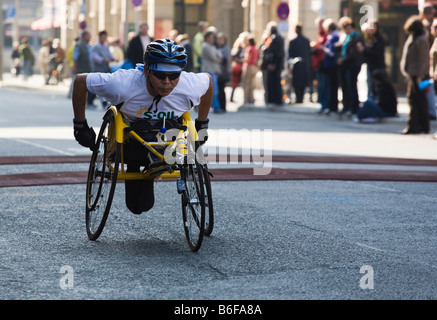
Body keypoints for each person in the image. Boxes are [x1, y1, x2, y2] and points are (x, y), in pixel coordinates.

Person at [72, 39, 213, 215]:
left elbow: (208, 82)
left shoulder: (189, 85)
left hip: (168, 139)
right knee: (138, 206)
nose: (167, 82)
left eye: (174, 75)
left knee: (142, 204)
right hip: (131, 141)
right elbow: (80, 81)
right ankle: (141, 164)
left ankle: (154, 162)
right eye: (160, 75)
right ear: (146, 70)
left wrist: (202, 124)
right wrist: (80, 125)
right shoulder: (122, 84)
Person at [400, 15, 431, 134]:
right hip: (412, 73)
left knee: (417, 100)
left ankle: (417, 125)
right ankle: (418, 125)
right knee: (414, 99)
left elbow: (423, 59)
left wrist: (420, 76)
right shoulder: (413, 38)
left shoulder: (421, 40)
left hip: (417, 74)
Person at [337, 19, 364, 117]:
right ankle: (346, 106)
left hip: (353, 64)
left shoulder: (357, 37)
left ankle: (354, 107)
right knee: (346, 86)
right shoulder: (347, 37)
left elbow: (354, 53)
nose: (345, 30)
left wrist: (343, 59)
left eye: (346, 28)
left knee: (352, 86)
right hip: (346, 65)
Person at [260, 21, 285, 106]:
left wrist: (272, 63)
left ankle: (275, 100)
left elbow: (274, 52)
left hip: (274, 64)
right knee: (275, 82)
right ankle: (276, 100)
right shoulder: (278, 37)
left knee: (274, 83)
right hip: (276, 64)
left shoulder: (275, 38)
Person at [360, 20, 386, 100]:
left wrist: (364, 50)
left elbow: (376, 52)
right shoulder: (369, 38)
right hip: (370, 66)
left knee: (376, 87)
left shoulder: (379, 38)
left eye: (373, 27)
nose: (371, 29)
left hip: (378, 66)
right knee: (370, 86)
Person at [318, 19, 340, 114]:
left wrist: (322, 49)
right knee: (330, 86)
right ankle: (331, 106)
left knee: (331, 87)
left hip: (332, 65)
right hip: (330, 65)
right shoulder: (333, 36)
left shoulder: (333, 36)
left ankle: (332, 107)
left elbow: (332, 53)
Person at [91, 30, 116, 108]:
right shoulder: (96, 47)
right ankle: (91, 101)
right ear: (99, 37)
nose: (104, 38)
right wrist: (104, 60)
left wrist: (113, 58)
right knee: (96, 87)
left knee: (103, 87)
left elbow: (109, 54)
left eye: (105, 37)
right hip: (98, 69)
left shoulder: (106, 46)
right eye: (102, 37)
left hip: (105, 69)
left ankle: (104, 103)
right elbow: (95, 57)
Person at [288, 23, 311, 104]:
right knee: (302, 82)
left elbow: (290, 54)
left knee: (297, 82)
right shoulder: (306, 40)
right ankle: (301, 98)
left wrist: (289, 65)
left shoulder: (293, 41)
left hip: (296, 65)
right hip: (304, 65)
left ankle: (298, 98)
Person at [201, 29, 223, 113]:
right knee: (212, 91)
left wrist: (218, 57)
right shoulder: (205, 46)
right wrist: (218, 58)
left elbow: (220, 56)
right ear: (206, 38)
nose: (213, 39)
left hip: (214, 71)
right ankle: (216, 107)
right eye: (211, 37)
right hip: (208, 71)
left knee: (213, 91)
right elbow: (214, 57)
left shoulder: (213, 46)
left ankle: (215, 107)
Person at [72, 30, 95, 108]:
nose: (90, 37)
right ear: (84, 36)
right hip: (81, 67)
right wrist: (75, 67)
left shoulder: (88, 45)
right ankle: (81, 103)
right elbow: (75, 57)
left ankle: (88, 102)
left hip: (88, 68)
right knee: (81, 86)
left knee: (88, 85)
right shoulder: (79, 45)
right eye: (89, 35)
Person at [229, 32, 247, 102]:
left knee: (237, 83)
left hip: (240, 66)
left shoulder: (240, 48)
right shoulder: (238, 48)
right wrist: (240, 60)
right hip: (237, 67)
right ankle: (232, 97)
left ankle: (243, 98)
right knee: (235, 83)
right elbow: (233, 57)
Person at [241, 35, 259, 105]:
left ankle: (245, 100)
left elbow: (247, 59)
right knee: (251, 84)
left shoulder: (250, 48)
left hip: (248, 67)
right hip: (254, 67)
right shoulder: (255, 48)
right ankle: (251, 99)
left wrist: (239, 60)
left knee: (246, 84)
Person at [217, 32, 231, 112]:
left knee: (221, 89)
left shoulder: (225, 48)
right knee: (219, 89)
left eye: (221, 39)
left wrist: (219, 60)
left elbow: (225, 60)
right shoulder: (219, 48)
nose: (219, 41)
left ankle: (223, 106)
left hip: (223, 71)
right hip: (220, 71)